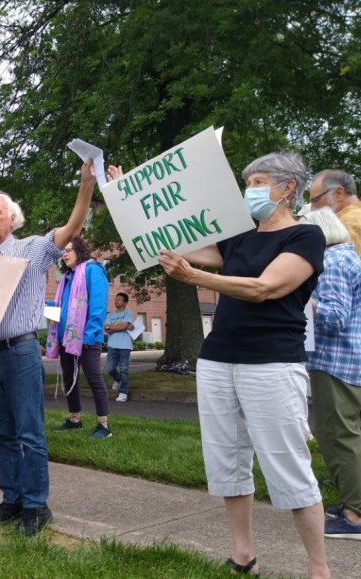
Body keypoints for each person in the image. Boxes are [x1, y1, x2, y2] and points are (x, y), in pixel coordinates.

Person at [157, 152, 331, 578]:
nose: (249, 190)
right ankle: (242, 556)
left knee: (288, 465)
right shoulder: (238, 236)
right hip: (218, 361)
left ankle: (319, 567)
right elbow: (173, 242)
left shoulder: (306, 236)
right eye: (247, 183)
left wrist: (195, 278)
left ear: (288, 188)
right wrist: (126, 198)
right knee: (226, 461)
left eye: (257, 182)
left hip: (272, 363)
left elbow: (264, 288)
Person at [0, 159, 119, 537]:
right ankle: (13, 498)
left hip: (21, 351)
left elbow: (72, 228)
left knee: (29, 431)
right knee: (2, 432)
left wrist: (86, 186)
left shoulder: (33, 249)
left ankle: (37, 505)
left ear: (11, 219)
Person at [302, 207, 361, 541]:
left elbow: (334, 316)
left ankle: (353, 516)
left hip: (334, 362)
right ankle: (353, 505)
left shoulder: (333, 263)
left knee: (338, 437)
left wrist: (302, 297)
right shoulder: (349, 258)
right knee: (350, 435)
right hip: (350, 361)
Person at [46, 236, 111, 438]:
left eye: (69, 250)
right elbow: (63, 308)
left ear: (80, 250)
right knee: (69, 379)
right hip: (66, 338)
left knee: (93, 378)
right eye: (63, 251)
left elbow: (98, 306)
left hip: (87, 338)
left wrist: (89, 336)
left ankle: (104, 426)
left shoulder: (93, 271)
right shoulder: (67, 277)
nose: (64, 254)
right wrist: (46, 306)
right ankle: (75, 419)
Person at [309, 170, 361, 256]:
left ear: (339, 193)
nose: (312, 208)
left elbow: (341, 267)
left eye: (316, 200)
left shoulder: (346, 226)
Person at [104, 293, 134, 402]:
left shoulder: (128, 313)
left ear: (125, 302)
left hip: (124, 346)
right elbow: (106, 329)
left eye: (120, 300)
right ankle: (118, 380)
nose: (117, 301)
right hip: (112, 345)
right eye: (116, 299)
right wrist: (121, 327)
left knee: (124, 370)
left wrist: (113, 327)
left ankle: (123, 393)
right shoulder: (110, 315)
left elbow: (123, 326)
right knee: (109, 368)